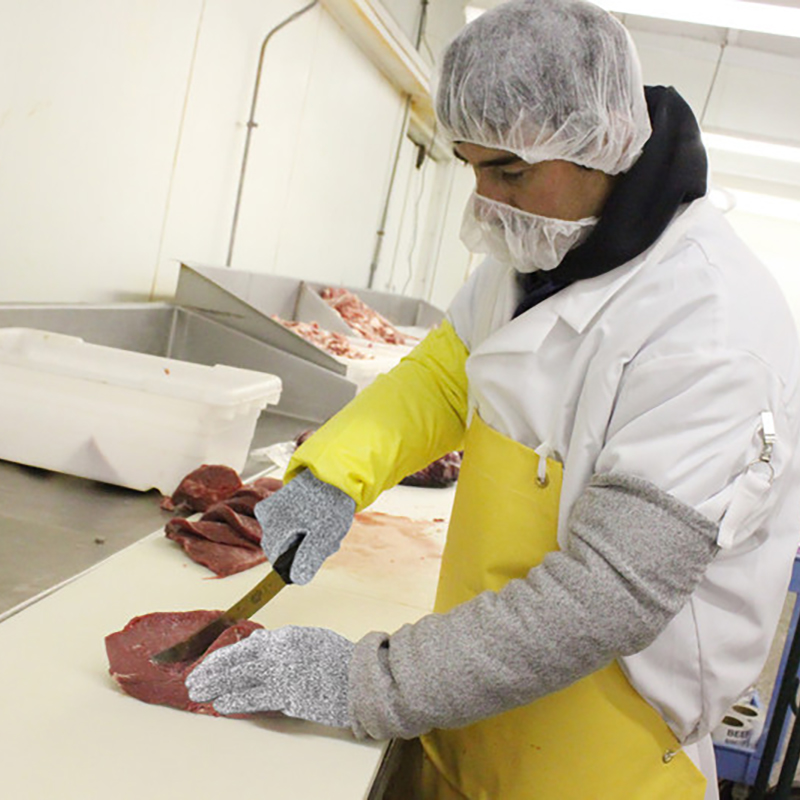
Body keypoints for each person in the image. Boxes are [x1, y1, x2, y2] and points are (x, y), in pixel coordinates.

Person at [185, 1, 800, 797]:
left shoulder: (712, 329)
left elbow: (610, 594)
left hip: (595, 757)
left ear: (601, 144)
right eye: (468, 165)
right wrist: (334, 475)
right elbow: (451, 375)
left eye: (507, 170)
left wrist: (364, 683)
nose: (485, 201)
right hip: (461, 700)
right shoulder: (542, 247)